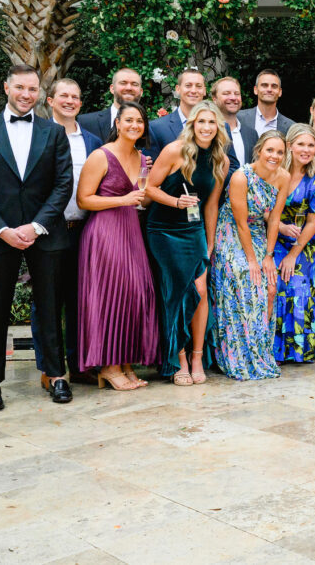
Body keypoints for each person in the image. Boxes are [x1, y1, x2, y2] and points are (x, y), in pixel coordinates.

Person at [0, 65, 74, 410]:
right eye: (21, 88)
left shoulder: (53, 132)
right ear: (6, 87)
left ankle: (57, 376)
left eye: (33, 89)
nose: (27, 94)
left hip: (45, 233)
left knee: (49, 306)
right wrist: (2, 230)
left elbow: (62, 184)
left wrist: (36, 226)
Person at [76, 101, 160, 390]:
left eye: (140, 121)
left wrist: (144, 181)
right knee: (111, 297)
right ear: (118, 124)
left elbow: (143, 199)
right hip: (104, 233)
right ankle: (108, 367)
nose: (135, 125)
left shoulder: (141, 157)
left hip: (131, 231)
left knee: (134, 295)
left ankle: (125, 362)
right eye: (129, 120)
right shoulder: (101, 156)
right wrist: (122, 200)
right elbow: (84, 199)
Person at [144, 100, 229, 386]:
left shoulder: (221, 160)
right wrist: (176, 201)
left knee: (201, 290)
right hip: (164, 230)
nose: (206, 127)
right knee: (175, 292)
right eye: (201, 122)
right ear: (192, 125)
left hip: (194, 231)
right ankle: (177, 358)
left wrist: (210, 242)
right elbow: (150, 189)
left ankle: (196, 356)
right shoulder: (174, 150)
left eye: (212, 122)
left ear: (219, 127)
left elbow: (211, 206)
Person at [38, 79, 102, 388]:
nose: (70, 101)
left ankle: (79, 365)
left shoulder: (91, 140)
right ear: (50, 100)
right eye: (63, 95)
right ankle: (49, 368)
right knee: (47, 300)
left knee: (81, 301)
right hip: (48, 230)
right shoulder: (38, 135)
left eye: (75, 97)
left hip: (84, 230)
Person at [211, 131, 289, 380]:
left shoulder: (283, 177)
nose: (274, 156)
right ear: (259, 151)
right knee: (246, 275)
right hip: (231, 230)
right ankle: (237, 354)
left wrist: (268, 256)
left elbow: (275, 219)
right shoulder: (240, 177)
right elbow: (240, 222)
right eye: (270, 150)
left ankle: (260, 352)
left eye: (279, 152)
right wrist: (253, 261)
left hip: (258, 232)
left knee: (270, 286)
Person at [274, 124, 315, 363]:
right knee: (275, 282)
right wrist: (279, 227)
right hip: (274, 236)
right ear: (290, 146)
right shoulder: (274, 169)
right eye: (301, 144)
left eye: (311, 145)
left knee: (297, 284)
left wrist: (293, 254)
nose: (306, 150)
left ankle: (300, 348)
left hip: (305, 242)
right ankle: (274, 348)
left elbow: (313, 222)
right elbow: (262, 207)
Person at [147, 69, 207, 161]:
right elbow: (148, 168)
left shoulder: (219, 126)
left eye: (198, 86)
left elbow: (232, 166)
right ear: (178, 89)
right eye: (188, 85)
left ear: (204, 91)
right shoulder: (156, 128)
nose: (194, 90)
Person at [78, 68, 144, 144]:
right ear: (112, 89)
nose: (129, 88)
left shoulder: (150, 128)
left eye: (134, 84)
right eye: (123, 83)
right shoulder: (87, 122)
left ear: (141, 92)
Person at [211, 76, 257, 164]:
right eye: (226, 93)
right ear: (214, 99)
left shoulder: (251, 134)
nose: (233, 97)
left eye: (237, 93)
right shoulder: (208, 131)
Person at [238, 69, 294, 138]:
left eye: (274, 86)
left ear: (280, 92)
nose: (269, 89)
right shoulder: (238, 118)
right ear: (255, 90)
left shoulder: (290, 127)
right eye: (264, 85)